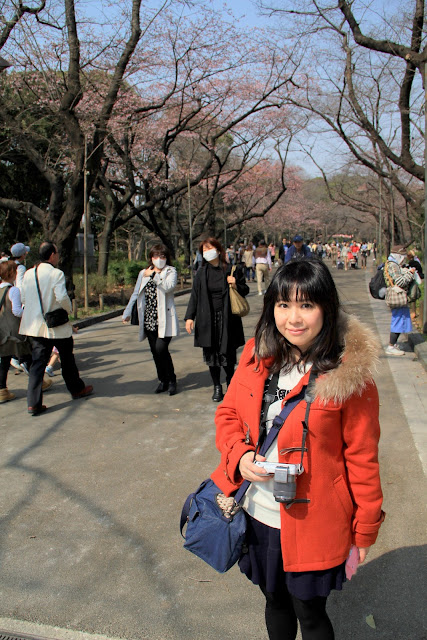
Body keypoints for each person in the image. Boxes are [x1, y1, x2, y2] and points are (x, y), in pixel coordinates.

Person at [210, 259, 385, 640]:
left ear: (326, 307)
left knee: (309, 611)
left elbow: (362, 458)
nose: (294, 318)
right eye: (283, 304)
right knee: (273, 601)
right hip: (258, 512)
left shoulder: (348, 374)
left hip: (316, 520)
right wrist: (239, 455)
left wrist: (365, 531)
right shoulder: (258, 354)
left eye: (307, 305)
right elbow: (227, 414)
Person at [20, 242, 93, 416]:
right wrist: (68, 310)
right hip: (56, 325)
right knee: (67, 358)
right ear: (52, 255)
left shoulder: (29, 273)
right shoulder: (56, 273)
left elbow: (23, 297)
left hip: (36, 326)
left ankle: (33, 403)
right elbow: (61, 297)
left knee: (38, 363)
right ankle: (76, 389)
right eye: (57, 253)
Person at [184, 237, 249, 402]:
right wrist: (189, 317)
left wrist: (235, 284)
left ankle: (230, 382)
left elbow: (245, 290)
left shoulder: (231, 270)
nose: (207, 253)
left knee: (228, 354)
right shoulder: (201, 273)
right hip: (207, 319)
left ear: (219, 251)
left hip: (228, 319)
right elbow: (195, 296)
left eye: (210, 249)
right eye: (204, 250)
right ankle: (217, 386)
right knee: (211, 355)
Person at [123, 244, 179, 395]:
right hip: (149, 318)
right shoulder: (144, 273)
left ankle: (172, 380)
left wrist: (154, 276)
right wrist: (127, 311)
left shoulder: (170, 271)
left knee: (162, 349)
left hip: (164, 319)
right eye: (155, 256)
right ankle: (163, 380)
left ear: (167, 258)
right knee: (155, 351)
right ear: (151, 258)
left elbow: (168, 287)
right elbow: (136, 293)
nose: (159, 260)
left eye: (162, 256)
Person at [0, 260, 33, 403]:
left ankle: (2, 390)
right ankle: (37, 382)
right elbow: (17, 311)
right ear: (12, 273)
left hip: (2, 332)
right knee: (27, 355)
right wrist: (28, 310)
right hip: (14, 331)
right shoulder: (13, 290)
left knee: (5, 360)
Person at [383, 246, 416, 356]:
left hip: (396, 295)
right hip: (397, 295)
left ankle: (393, 344)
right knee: (398, 320)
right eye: (402, 256)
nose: (403, 259)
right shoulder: (393, 265)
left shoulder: (391, 263)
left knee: (399, 320)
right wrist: (410, 273)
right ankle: (391, 346)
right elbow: (400, 282)